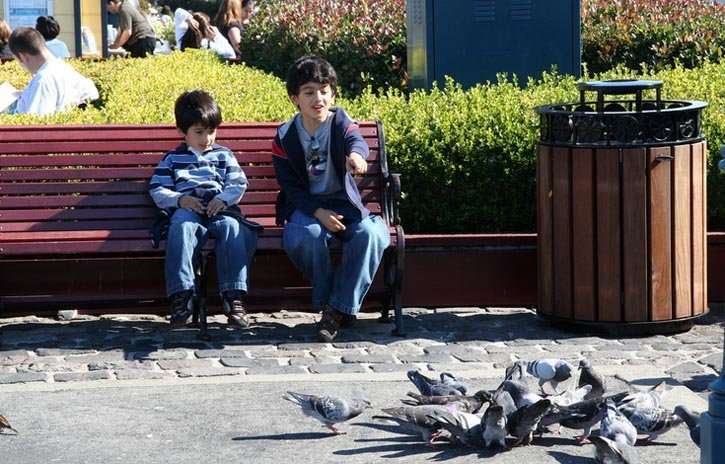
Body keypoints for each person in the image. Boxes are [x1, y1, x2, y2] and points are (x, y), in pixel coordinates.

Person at [271, 56, 390, 342]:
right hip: (305, 206)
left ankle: (336, 309)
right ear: (295, 99)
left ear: (333, 94)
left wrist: (357, 157)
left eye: (324, 91)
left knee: (372, 234)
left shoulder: (340, 122)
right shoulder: (285, 136)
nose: (318, 98)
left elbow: (356, 141)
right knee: (305, 236)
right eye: (309, 92)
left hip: (343, 204)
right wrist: (317, 212)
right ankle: (332, 304)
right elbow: (290, 187)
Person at [149, 90, 258, 329]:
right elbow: (157, 189)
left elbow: (238, 183)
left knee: (232, 228)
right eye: (199, 132)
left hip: (219, 209)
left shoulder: (223, 155)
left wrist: (225, 199)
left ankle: (233, 295)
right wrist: (179, 200)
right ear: (182, 132)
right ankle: (182, 295)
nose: (206, 138)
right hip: (188, 209)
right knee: (181, 228)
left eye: (211, 131)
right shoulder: (172, 159)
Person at [8, 27, 98, 115]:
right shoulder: (65, 68)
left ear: (23, 57)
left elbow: (33, 122)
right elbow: (92, 94)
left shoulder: (42, 80)